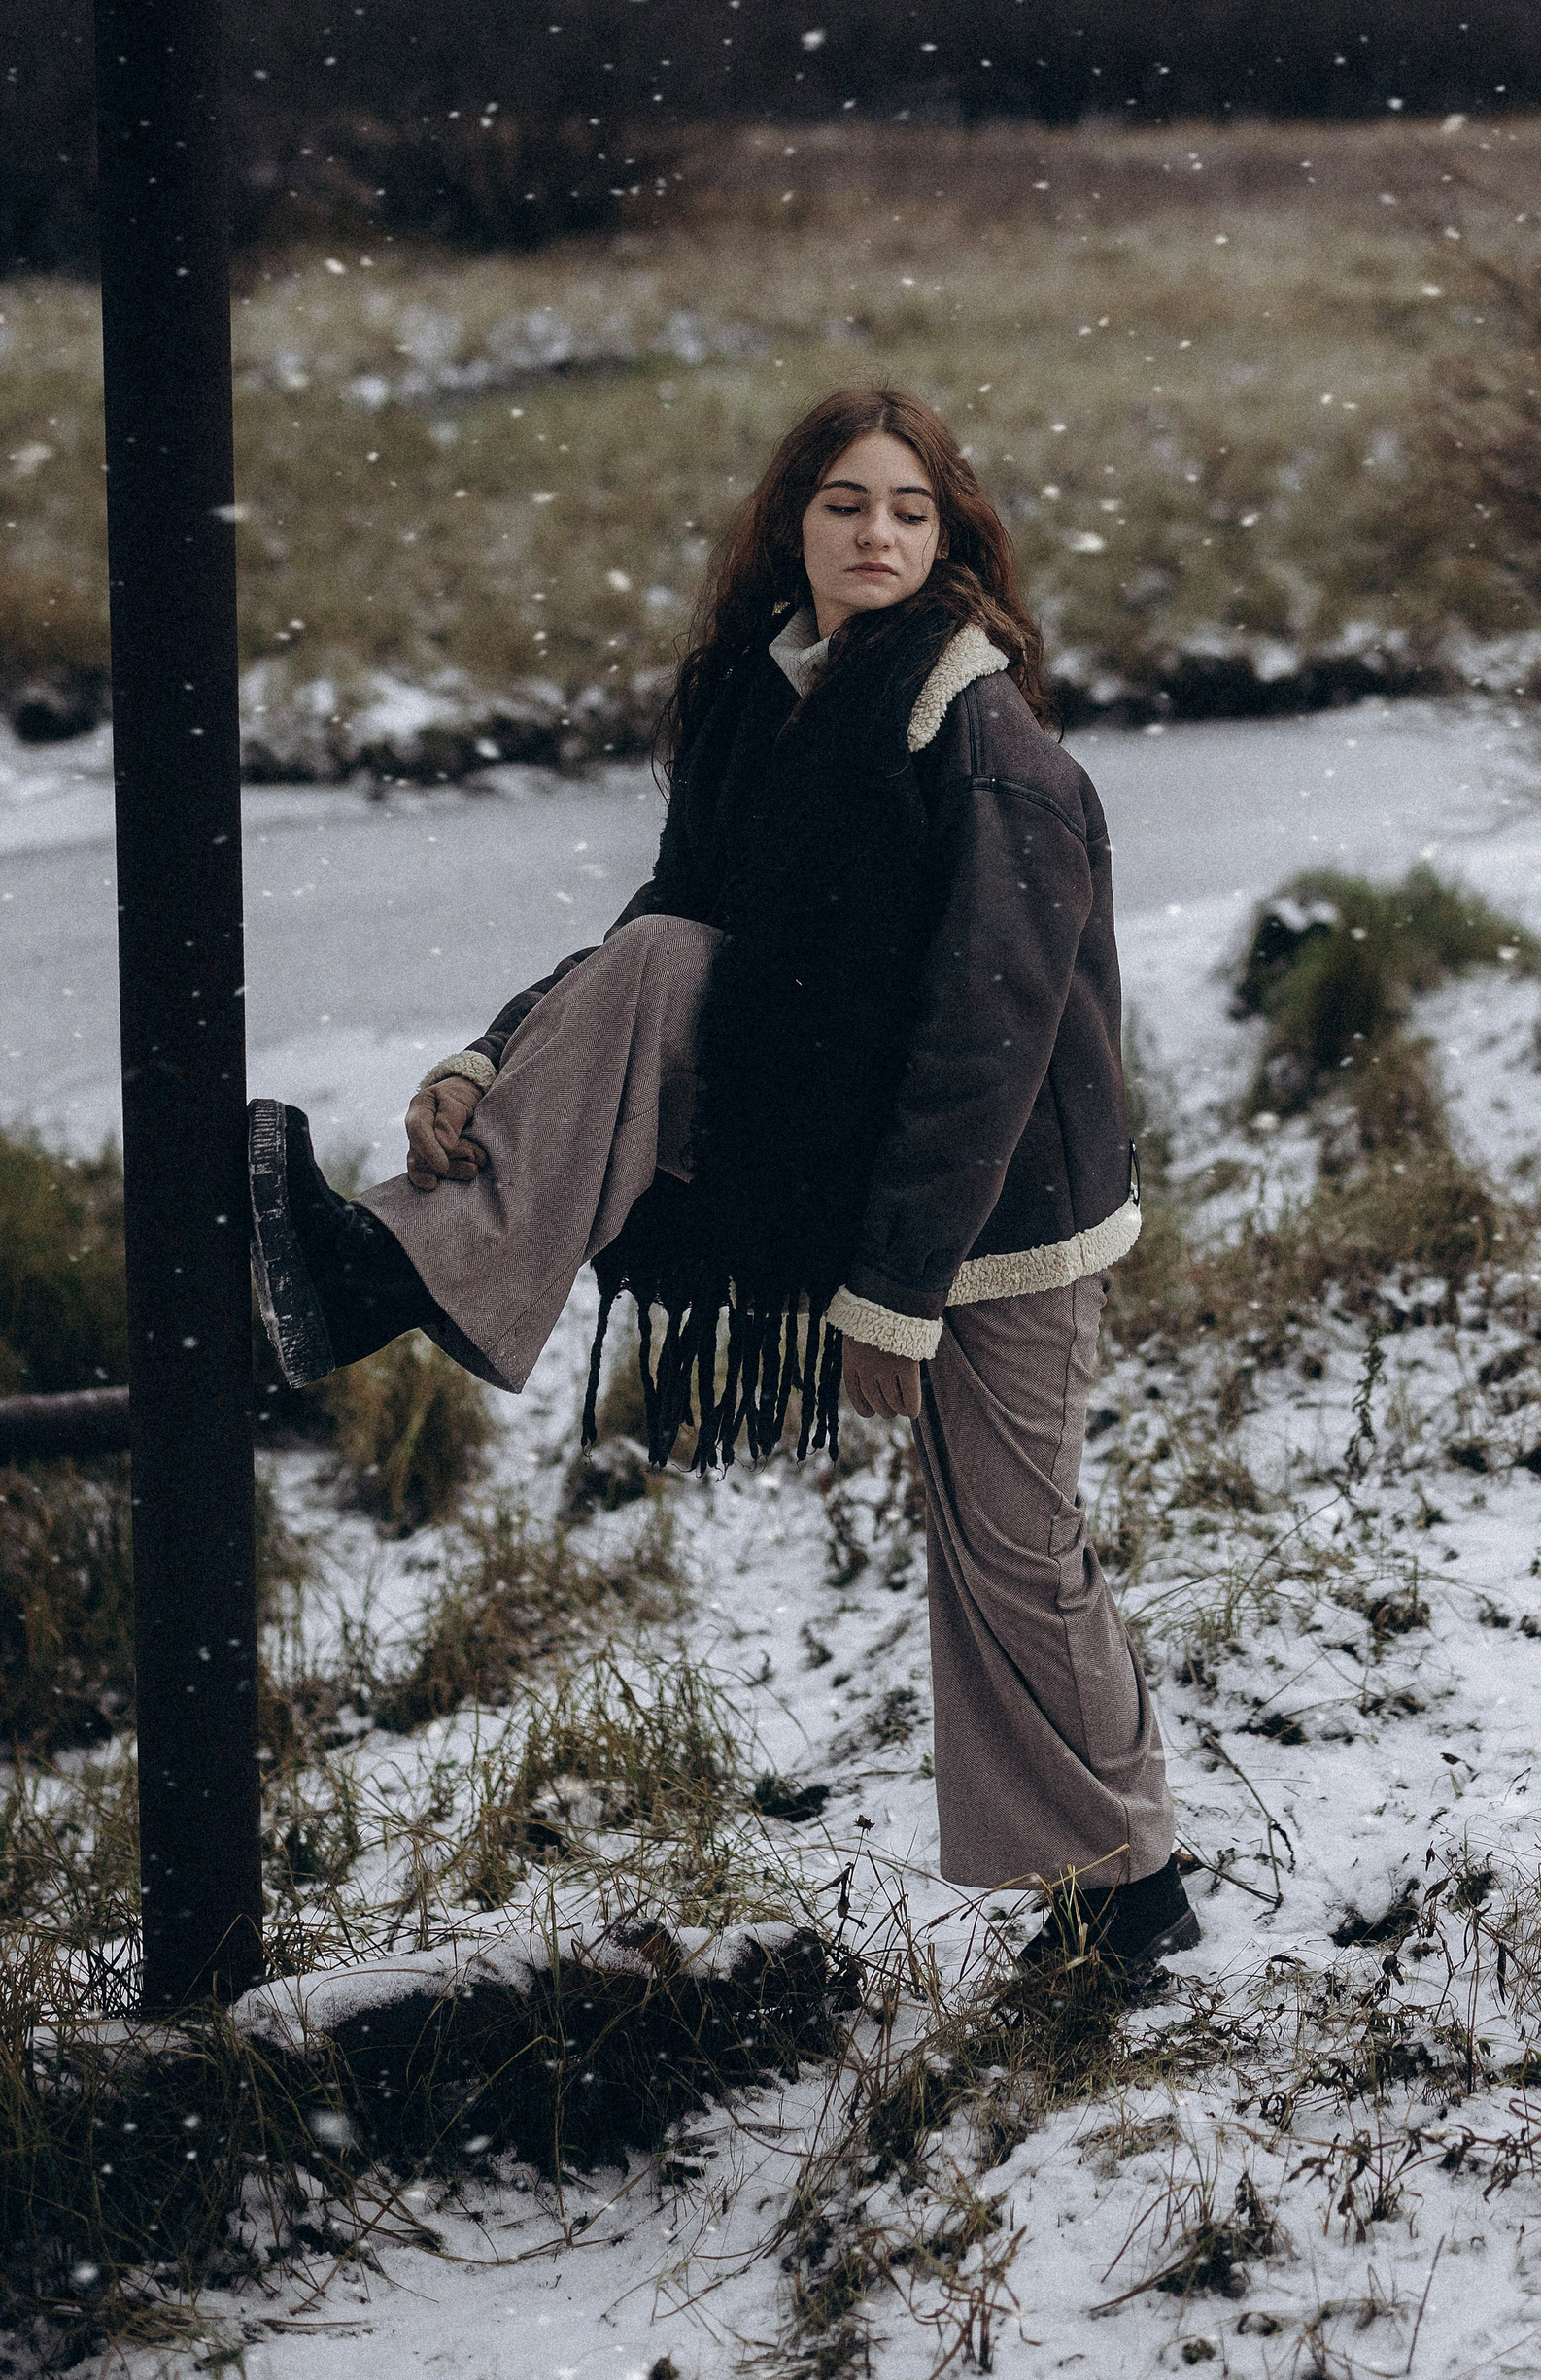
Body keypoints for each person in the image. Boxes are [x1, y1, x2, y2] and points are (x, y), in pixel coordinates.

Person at [247, 388, 1196, 1977]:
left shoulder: (982, 736)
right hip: (854, 1137)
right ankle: (380, 1272)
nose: (877, 533)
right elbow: (665, 922)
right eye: (845, 503)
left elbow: (990, 1037)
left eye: (910, 510)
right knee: (664, 963)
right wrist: (490, 1059)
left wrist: (895, 1293)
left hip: (1001, 1210)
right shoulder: (769, 707)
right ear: (793, 525)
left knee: (1015, 1546)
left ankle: (1132, 1886)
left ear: (950, 537)